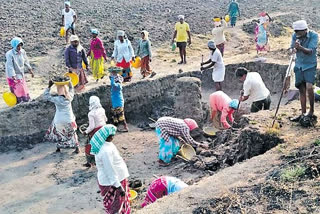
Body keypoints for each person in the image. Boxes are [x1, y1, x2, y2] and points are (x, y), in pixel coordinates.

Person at [90, 124, 131, 214]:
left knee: (116, 204)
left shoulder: (106, 145)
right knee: (115, 206)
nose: (113, 137)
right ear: (106, 137)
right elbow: (109, 170)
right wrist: (118, 186)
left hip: (114, 179)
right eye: (112, 136)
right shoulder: (105, 151)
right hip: (112, 182)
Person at [289, 20, 319, 122]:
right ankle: (302, 113)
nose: (297, 34)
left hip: (310, 65)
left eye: (299, 32)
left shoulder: (314, 36)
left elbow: (310, 51)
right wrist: (293, 50)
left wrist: (300, 47)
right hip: (299, 65)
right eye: (296, 31)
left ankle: (311, 111)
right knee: (301, 89)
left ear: (305, 30)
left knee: (309, 87)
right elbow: (291, 47)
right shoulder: (295, 35)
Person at [44, 81, 79, 153]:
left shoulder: (56, 99)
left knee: (59, 133)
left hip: (59, 119)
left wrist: (49, 86)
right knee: (72, 133)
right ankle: (77, 148)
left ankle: (58, 148)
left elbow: (46, 96)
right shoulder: (69, 97)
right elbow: (71, 89)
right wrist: (69, 82)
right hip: (69, 119)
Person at [5, 37, 34, 103]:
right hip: (12, 73)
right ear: (14, 46)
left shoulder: (22, 52)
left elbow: (26, 60)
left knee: (22, 86)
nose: (19, 47)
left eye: (21, 45)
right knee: (17, 88)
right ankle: (18, 100)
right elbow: (10, 65)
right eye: (18, 46)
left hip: (20, 71)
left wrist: (30, 69)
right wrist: (13, 75)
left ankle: (25, 99)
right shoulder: (9, 54)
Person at [83, 96, 108, 168]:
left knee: (88, 146)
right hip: (104, 130)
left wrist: (86, 132)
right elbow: (105, 119)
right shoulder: (102, 110)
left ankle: (90, 162)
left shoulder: (91, 113)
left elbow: (92, 126)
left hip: (96, 132)